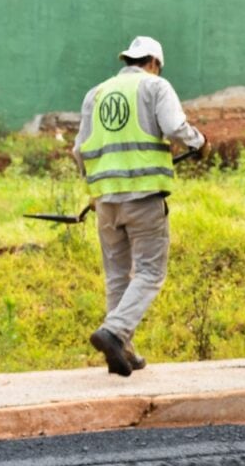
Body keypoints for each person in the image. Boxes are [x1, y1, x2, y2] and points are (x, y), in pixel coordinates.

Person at [72, 36, 209, 376]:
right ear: (154, 63)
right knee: (150, 272)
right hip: (144, 197)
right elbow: (175, 127)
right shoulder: (155, 87)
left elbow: (79, 150)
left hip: (106, 200)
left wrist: (94, 187)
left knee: (117, 275)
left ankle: (122, 351)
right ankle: (115, 332)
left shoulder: (96, 93)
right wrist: (200, 143)